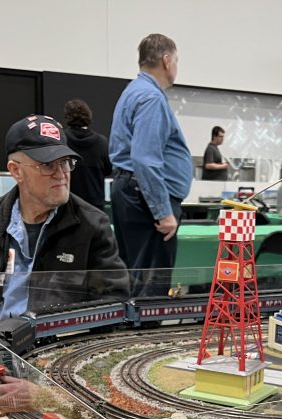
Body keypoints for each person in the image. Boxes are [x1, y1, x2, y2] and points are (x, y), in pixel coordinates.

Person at [0, 114, 128, 317]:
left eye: (65, 162)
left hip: (61, 343)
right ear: (16, 171)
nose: (61, 173)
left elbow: (114, 299)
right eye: (48, 165)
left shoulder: (93, 226)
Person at [109, 33, 192, 297]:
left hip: (131, 190)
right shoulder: (151, 98)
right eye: (177, 60)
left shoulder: (133, 92)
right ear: (166, 60)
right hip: (146, 198)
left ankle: (134, 332)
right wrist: (163, 212)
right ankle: (145, 337)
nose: (177, 66)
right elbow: (145, 158)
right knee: (151, 283)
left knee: (135, 273)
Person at [63, 98, 112, 211]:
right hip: (95, 206)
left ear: (67, 117)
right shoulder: (101, 142)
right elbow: (109, 170)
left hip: (69, 203)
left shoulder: (62, 140)